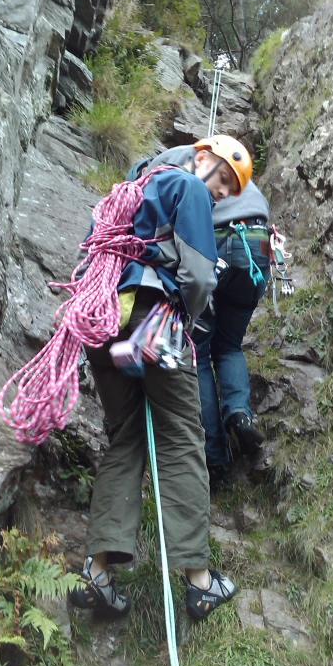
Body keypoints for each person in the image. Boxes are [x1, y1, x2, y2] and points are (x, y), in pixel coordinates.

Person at [70, 135, 253, 620]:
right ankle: (199, 579)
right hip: (153, 320)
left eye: (229, 190)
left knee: (124, 439)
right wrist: (185, 322)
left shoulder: (127, 189)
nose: (219, 193)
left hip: (103, 319)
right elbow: (199, 276)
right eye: (221, 179)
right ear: (201, 158)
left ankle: (98, 573)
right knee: (182, 437)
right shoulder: (186, 188)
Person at [144, 142, 271, 487]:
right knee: (230, 344)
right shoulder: (243, 182)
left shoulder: (184, 165)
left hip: (219, 240)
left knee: (198, 350)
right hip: (258, 247)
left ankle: (214, 457)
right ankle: (239, 414)